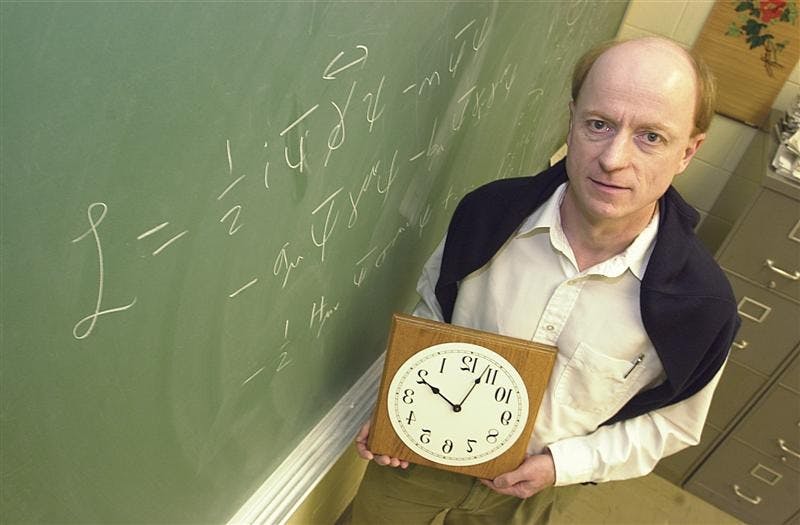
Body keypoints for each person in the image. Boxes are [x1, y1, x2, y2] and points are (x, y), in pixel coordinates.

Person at [346, 36, 740, 524]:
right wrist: (398, 407)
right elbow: (432, 315)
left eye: (651, 137)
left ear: (688, 151)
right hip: (418, 459)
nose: (614, 158)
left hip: (537, 492)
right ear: (571, 121)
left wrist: (563, 465)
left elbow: (672, 424)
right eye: (599, 124)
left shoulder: (702, 305)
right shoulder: (487, 216)